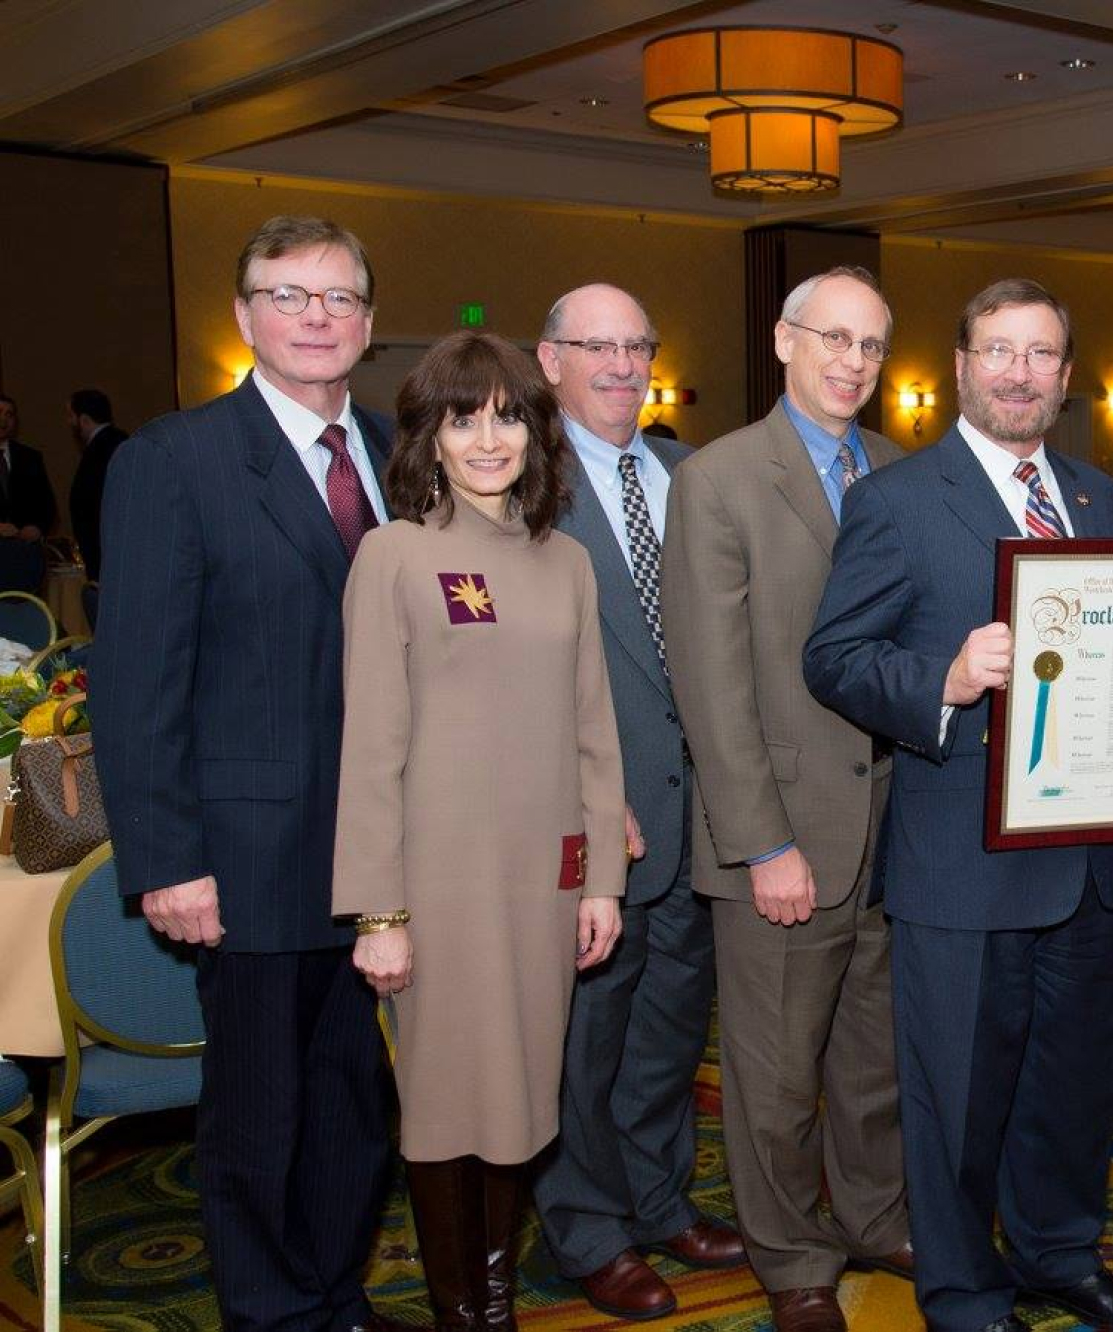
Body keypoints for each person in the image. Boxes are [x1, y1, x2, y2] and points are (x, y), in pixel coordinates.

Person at [803, 278, 1113, 1332]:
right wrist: (942, 682)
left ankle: (1059, 1257)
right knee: (954, 1098)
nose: (1018, 373)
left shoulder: (1092, 492)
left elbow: (1110, 655)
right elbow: (833, 658)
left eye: (1040, 355)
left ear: (1065, 375)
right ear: (959, 367)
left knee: (1067, 1086)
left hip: (1083, 857)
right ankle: (961, 1292)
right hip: (959, 860)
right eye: (998, 351)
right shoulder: (896, 500)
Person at [93, 215, 398, 1332]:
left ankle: (336, 1294)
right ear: (243, 316)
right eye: (289, 295)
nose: (316, 317)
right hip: (247, 857)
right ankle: (269, 1315)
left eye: (339, 298)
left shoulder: (395, 452)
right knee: (258, 1116)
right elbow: (135, 684)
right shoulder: (174, 460)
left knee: (355, 1106)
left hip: (377, 862)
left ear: (368, 322)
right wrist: (167, 860)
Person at [332, 331, 627, 1331]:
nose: (487, 438)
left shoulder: (568, 563)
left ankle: (493, 1300)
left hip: (546, 885)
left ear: (535, 433)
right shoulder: (395, 556)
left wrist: (601, 886)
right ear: (431, 437)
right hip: (438, 888)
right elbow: (371, 746)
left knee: (522, 1099)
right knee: (448, 1103)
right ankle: (463, 1309)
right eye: (464, 418)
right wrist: (379, 909)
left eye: (507, 415)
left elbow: (595, 731)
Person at [660, 266, 911, 1332]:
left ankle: (870, 1215)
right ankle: (790, 1254)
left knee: (871, 1062)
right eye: (831, 339)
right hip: (781, 836)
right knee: (771, 1075)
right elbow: (710, 689)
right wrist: (762, 843)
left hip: (895, 827)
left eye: (868, 345)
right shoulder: (718, 480)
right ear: (782, 340)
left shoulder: (902, 472)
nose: (850, 362)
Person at [531, 283, 746, 1320]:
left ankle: (658, 1199)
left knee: (668, 1029)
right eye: (595, 347)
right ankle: (585, 1228)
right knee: (587, 1037)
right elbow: (505, 673)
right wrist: (572, 798)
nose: (619, 366)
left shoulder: (689, 473)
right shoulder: (515, 482)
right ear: (548, 361)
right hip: (593, 822)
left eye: (636, 346)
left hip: (700, 815)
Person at [67, 387, 127, 579]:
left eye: (71, 416)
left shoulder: (103, 448)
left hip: (108, 553)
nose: (69, 422)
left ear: (83, 419)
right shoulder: (119, 442)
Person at [0, 392, 57, 542]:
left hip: (24, 550)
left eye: (9, 414)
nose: (3, 419)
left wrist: (37, 529)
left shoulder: (30, 457)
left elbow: (48, 506)